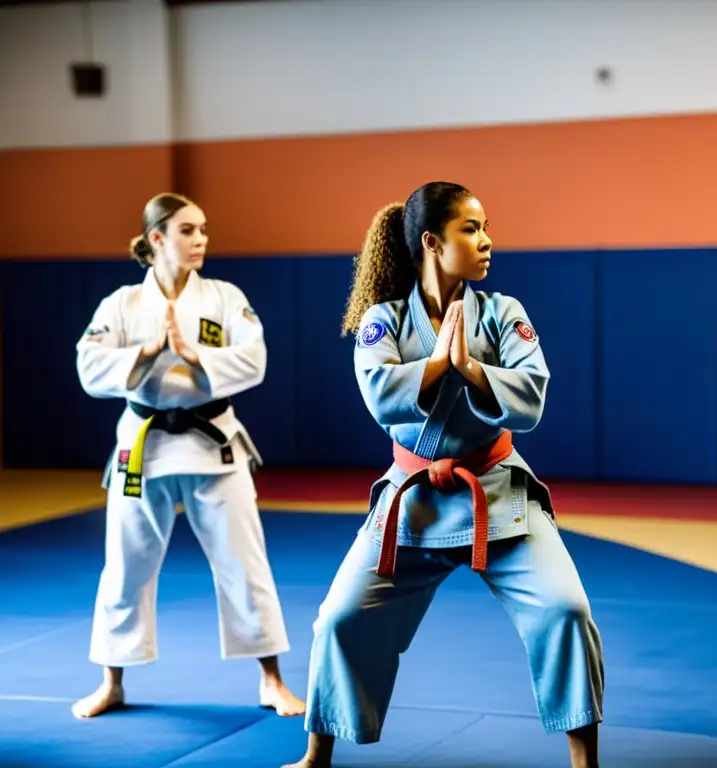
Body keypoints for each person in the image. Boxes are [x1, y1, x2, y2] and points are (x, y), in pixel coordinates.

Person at [283, 182, 604, 768]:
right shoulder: (383, 321)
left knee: (567, 611)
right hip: (414, 502)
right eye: (471, 229)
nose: (487, 242)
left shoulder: (505, 314)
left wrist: (471, 369)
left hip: (498, 491)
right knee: (338, 618)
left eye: (484, 228)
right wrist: (439, 364)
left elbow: (531, 400)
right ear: (432, 241)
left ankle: (586, 762)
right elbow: (381, 397)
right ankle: (315, 756)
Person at [73, 192, 305, 719]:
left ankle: (271, 680)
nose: (201, 240)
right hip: (143, 447)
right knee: (125, 567)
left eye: (203, 230)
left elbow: (255, 358)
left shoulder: (224, 297)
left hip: (213, 444)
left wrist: (196, 353)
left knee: (244, 564)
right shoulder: (123, 305)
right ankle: (112, 682)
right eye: (187, 231)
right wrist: (146, 352)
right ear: (157, 238)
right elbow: (89, 365)